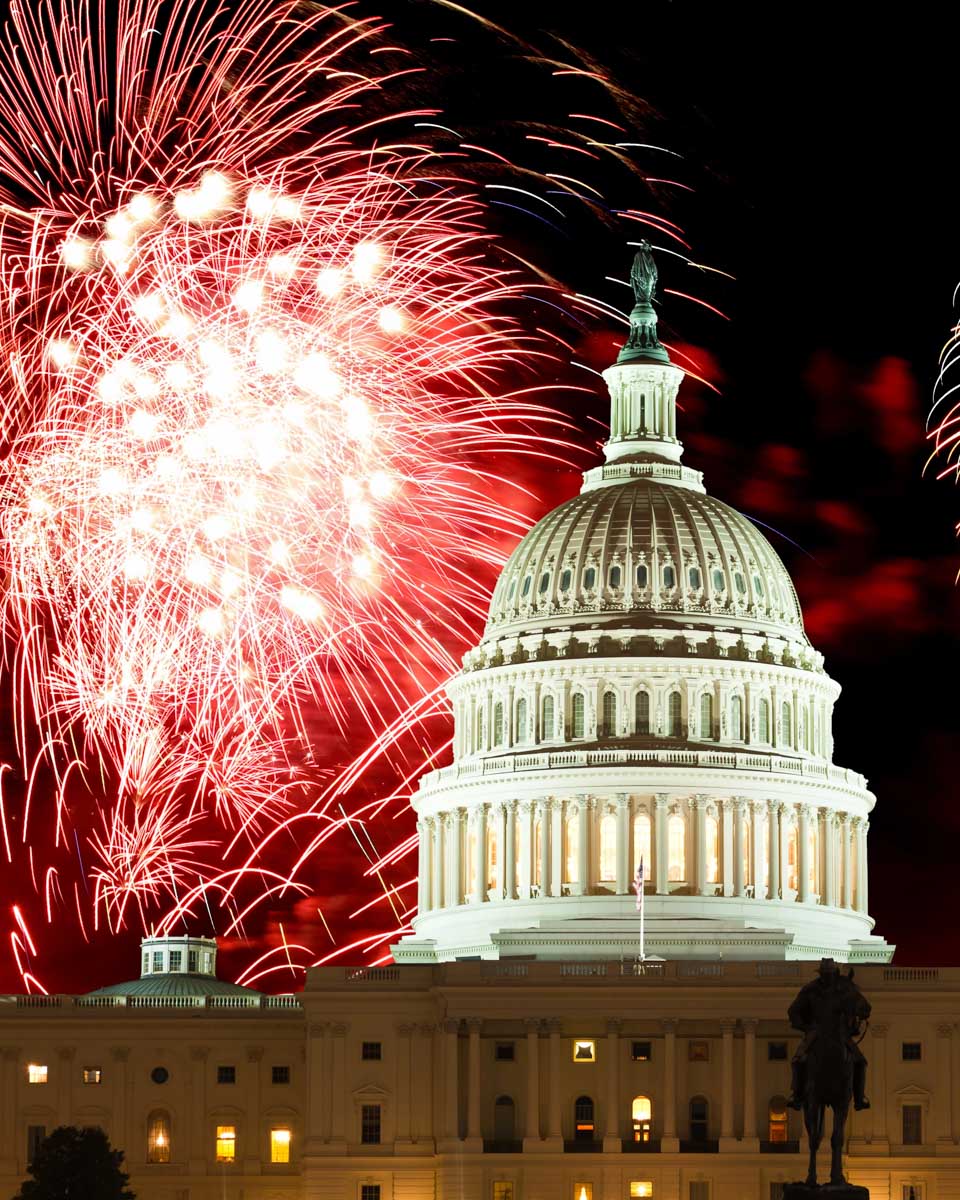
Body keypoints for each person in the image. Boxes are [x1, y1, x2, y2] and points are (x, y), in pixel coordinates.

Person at [786, 957, 871, 1111]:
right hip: (815, 1032)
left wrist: (862, 1013)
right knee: (797, 1060)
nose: (828, 977)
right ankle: (797, 1095)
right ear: (821, 974)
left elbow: (862, 1005)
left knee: (860, 1061)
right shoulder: (810, 989)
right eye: (825, 974)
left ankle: (859, 1097)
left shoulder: (843, 989)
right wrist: (806, 1027)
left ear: (834, 973)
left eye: (830, 974)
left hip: (840, 1033)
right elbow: (793, 1011)